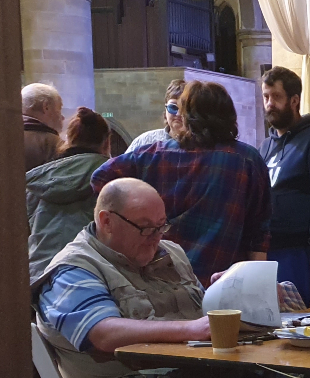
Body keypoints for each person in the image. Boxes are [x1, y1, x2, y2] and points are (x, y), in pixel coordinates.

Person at [32, 178, 212, 378]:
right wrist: (191, 330)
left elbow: (205, 317)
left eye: (162, 226)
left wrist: (227, 291)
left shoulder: (171, 253)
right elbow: (103, 333)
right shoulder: (73, 270)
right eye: (146, 228)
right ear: (107, 222)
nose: (156, 238)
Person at [91, 80, 271, 285]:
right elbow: (259, 233)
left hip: (160, 278)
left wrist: (134, 224)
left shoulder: (154, 154)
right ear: (230, 116)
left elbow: (100, 178)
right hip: (222, 283)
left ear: (187, 116)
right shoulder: (247, 159)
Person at [258, 67, 310, 305]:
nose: (269, 103)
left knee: (297, 317)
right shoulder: (265, 147)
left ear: (294, 101)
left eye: (276, 97)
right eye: (265, 97)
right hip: (267, 250)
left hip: (298, 253)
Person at [26, 107, 111, 281]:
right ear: (106, 142)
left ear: (68, 139)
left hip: (41, 273)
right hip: (92, 270)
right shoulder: (112, 176)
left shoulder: (39, 180)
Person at [125, 79, 186, 152]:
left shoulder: (200, 146)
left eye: (184, 109)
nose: (178, 114)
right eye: (173, 107)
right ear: (165, 109)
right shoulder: (145, 141)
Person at [23, 83, 64, 172]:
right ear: (46, 107)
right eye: (59, 108)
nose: (62, 117)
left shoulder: (0, 135)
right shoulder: (54, 144)